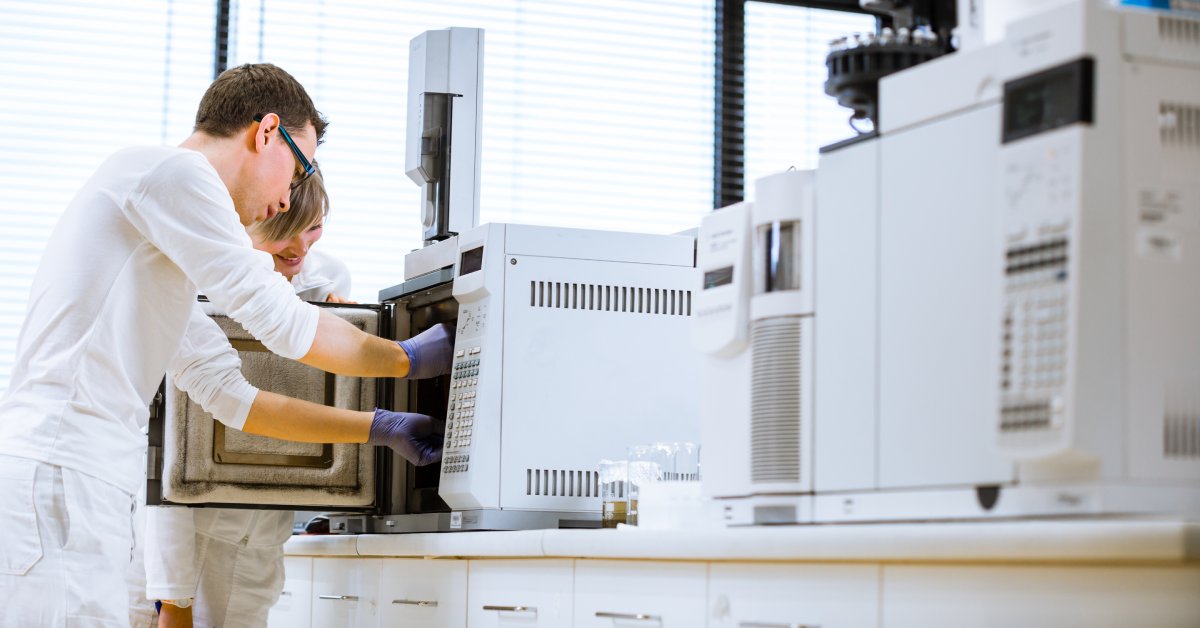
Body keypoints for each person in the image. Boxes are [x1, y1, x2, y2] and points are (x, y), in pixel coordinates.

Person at [0, 63, 450, 627]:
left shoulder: (159, 248)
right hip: (64, 469)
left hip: (80, 479)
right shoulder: (173, 175)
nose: (289, 199)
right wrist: (405, 359)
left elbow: (232, 396)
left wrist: (377, 427)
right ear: (266, 133)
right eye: (298, 169)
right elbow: (280, 320)